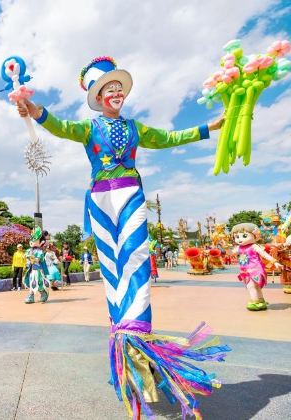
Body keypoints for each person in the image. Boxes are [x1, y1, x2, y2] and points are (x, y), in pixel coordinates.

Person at [16, 55, 229, 418]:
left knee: (136, 262)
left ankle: (137, 337)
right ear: (98, 97)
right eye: (108, 89)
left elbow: (167, 138)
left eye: (119, 88)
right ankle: (126, 344)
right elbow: (62, 126)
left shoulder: (135, 127)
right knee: (114, 273)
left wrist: (208, 128)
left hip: (130, 193)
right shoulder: (88, 128)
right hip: (100, 199)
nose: (116, 93)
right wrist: (34, 110)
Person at [231, 223, 282, 310]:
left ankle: (254, 302)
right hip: (245, 271)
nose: (240, 239)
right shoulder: (239, 248)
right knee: (256, 287)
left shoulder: (254, 246)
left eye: (244, 236)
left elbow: (264, 254)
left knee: (251, 286)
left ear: (256, 236)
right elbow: (231, 252)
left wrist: (274, 261)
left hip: (255, 270)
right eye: (237, 237)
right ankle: (261, 301)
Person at [23, 226, 50, 303]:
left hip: (38, 270)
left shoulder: (39, 251)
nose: (32, 241)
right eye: (32, 239)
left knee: (39, 282)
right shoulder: (29, 250)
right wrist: (27, 257)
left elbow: (38, 259)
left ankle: (43, 293)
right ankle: (31, 296)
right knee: (31, 281)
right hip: (31, 269)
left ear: (41, 242)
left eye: (35, 240)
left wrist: (32, 258)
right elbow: (24, 256)